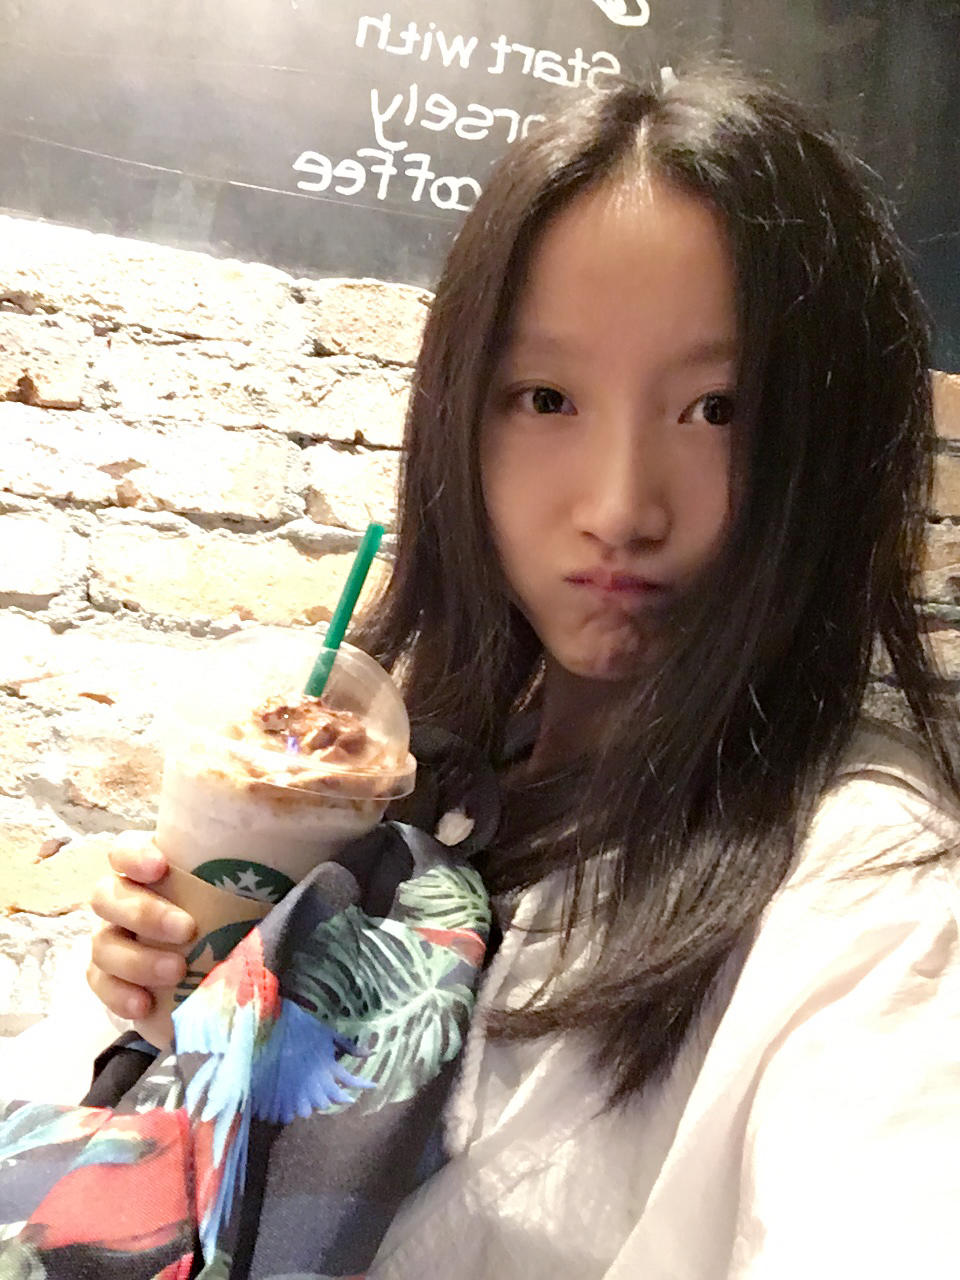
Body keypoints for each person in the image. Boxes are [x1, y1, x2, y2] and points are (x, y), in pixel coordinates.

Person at [85, 65, 960, 1277]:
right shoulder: (436, 771)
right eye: (547, 397)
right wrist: (188, 1001)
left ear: (835, 440)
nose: (619, 506)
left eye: (719, 410)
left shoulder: (872, 897)